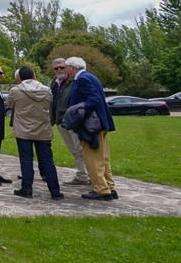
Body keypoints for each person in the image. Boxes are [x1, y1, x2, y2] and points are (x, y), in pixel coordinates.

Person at [64, 57, 117, 201]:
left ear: (72, 67)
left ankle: (101, 189)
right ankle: (109, 187)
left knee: (93, 158)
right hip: (101, 123)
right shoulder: (91, 77)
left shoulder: (82, 79)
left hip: (92, 125)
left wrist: (78, 110)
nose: (65, 70)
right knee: (103, 158)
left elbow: (93, 100)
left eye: (66, 67)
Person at [6, 67, 62, 200]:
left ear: (19, 78)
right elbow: (50, 108)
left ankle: (26, 189)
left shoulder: (15, 91)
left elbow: (9, 105)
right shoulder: (47, 90)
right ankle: (55, 191)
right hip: (43, 130)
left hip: (23, 130)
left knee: (26, 160)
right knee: (47, 161)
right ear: (34, 76)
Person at [49, 58, 89, 186]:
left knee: (81, 149)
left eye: (62, 67)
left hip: (74, 121)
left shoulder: (75, 81)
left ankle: (91, 176)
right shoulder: (54, 83)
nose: (59, 70)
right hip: (61, 121)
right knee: (74, 150)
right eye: (56, 68)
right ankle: (82, 175)